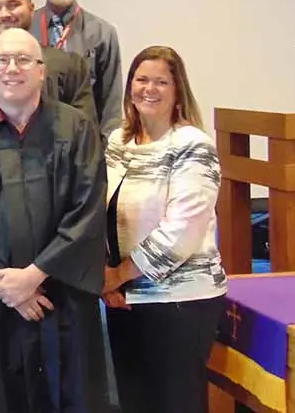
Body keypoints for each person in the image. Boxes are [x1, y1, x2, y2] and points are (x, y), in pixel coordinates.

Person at [0, 28, 109, 413]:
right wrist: (6, 284)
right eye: (1, 60)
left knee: (68, 395)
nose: (11, 69)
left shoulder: (76, 129)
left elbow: (88, 208)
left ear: (41, 71)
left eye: (23, 60)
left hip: (59, 297)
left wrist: (35, 275)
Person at [101, 45, 227, 413]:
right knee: (134, 400)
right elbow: (103, 211)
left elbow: (181, 232)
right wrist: (109, 280)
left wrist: (117, 276)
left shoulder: (192, 146)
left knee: (175, 403)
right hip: (124, 297)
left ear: (177, 92)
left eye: (161, 82)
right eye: (141, 80)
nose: (149, 89)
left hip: (180, 301)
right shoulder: (119, 141)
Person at [30, 0, 123, 143]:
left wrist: (105, 155)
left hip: (83, 145)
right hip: (31, 144)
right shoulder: (25, 30)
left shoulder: (102, 33)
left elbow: (110, 106)